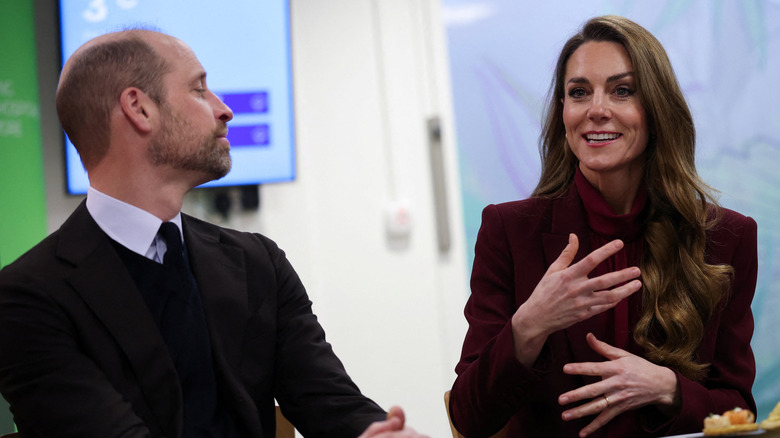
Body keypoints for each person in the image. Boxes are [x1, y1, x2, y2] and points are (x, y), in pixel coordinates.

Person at [0, 29, 427, 438]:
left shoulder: (257, 262)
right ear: (139, 108)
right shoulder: (27, 298)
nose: (225, 110)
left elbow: (331, 404)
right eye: (200, 90)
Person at [449, 15, 757, 438]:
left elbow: (739, 408)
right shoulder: (508, 230)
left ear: (656, 109)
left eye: (622, 91)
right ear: (563, 113)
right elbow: (468, 417)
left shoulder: (728, 238)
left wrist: (667, 388)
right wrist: (529, 325)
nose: (596, 110)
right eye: (578, 93)